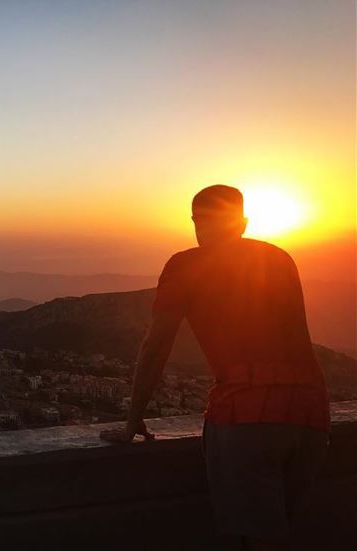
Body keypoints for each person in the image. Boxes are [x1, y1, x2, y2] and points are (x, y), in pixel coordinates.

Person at [100, 184, 330, 551]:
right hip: (311, 417)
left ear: (196, 222)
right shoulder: (280, 258)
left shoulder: (185, 265)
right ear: (243, 222)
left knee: (255, 541)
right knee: (286, 535)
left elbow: (156, 345)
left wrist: (133, 419)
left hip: (247, 415)